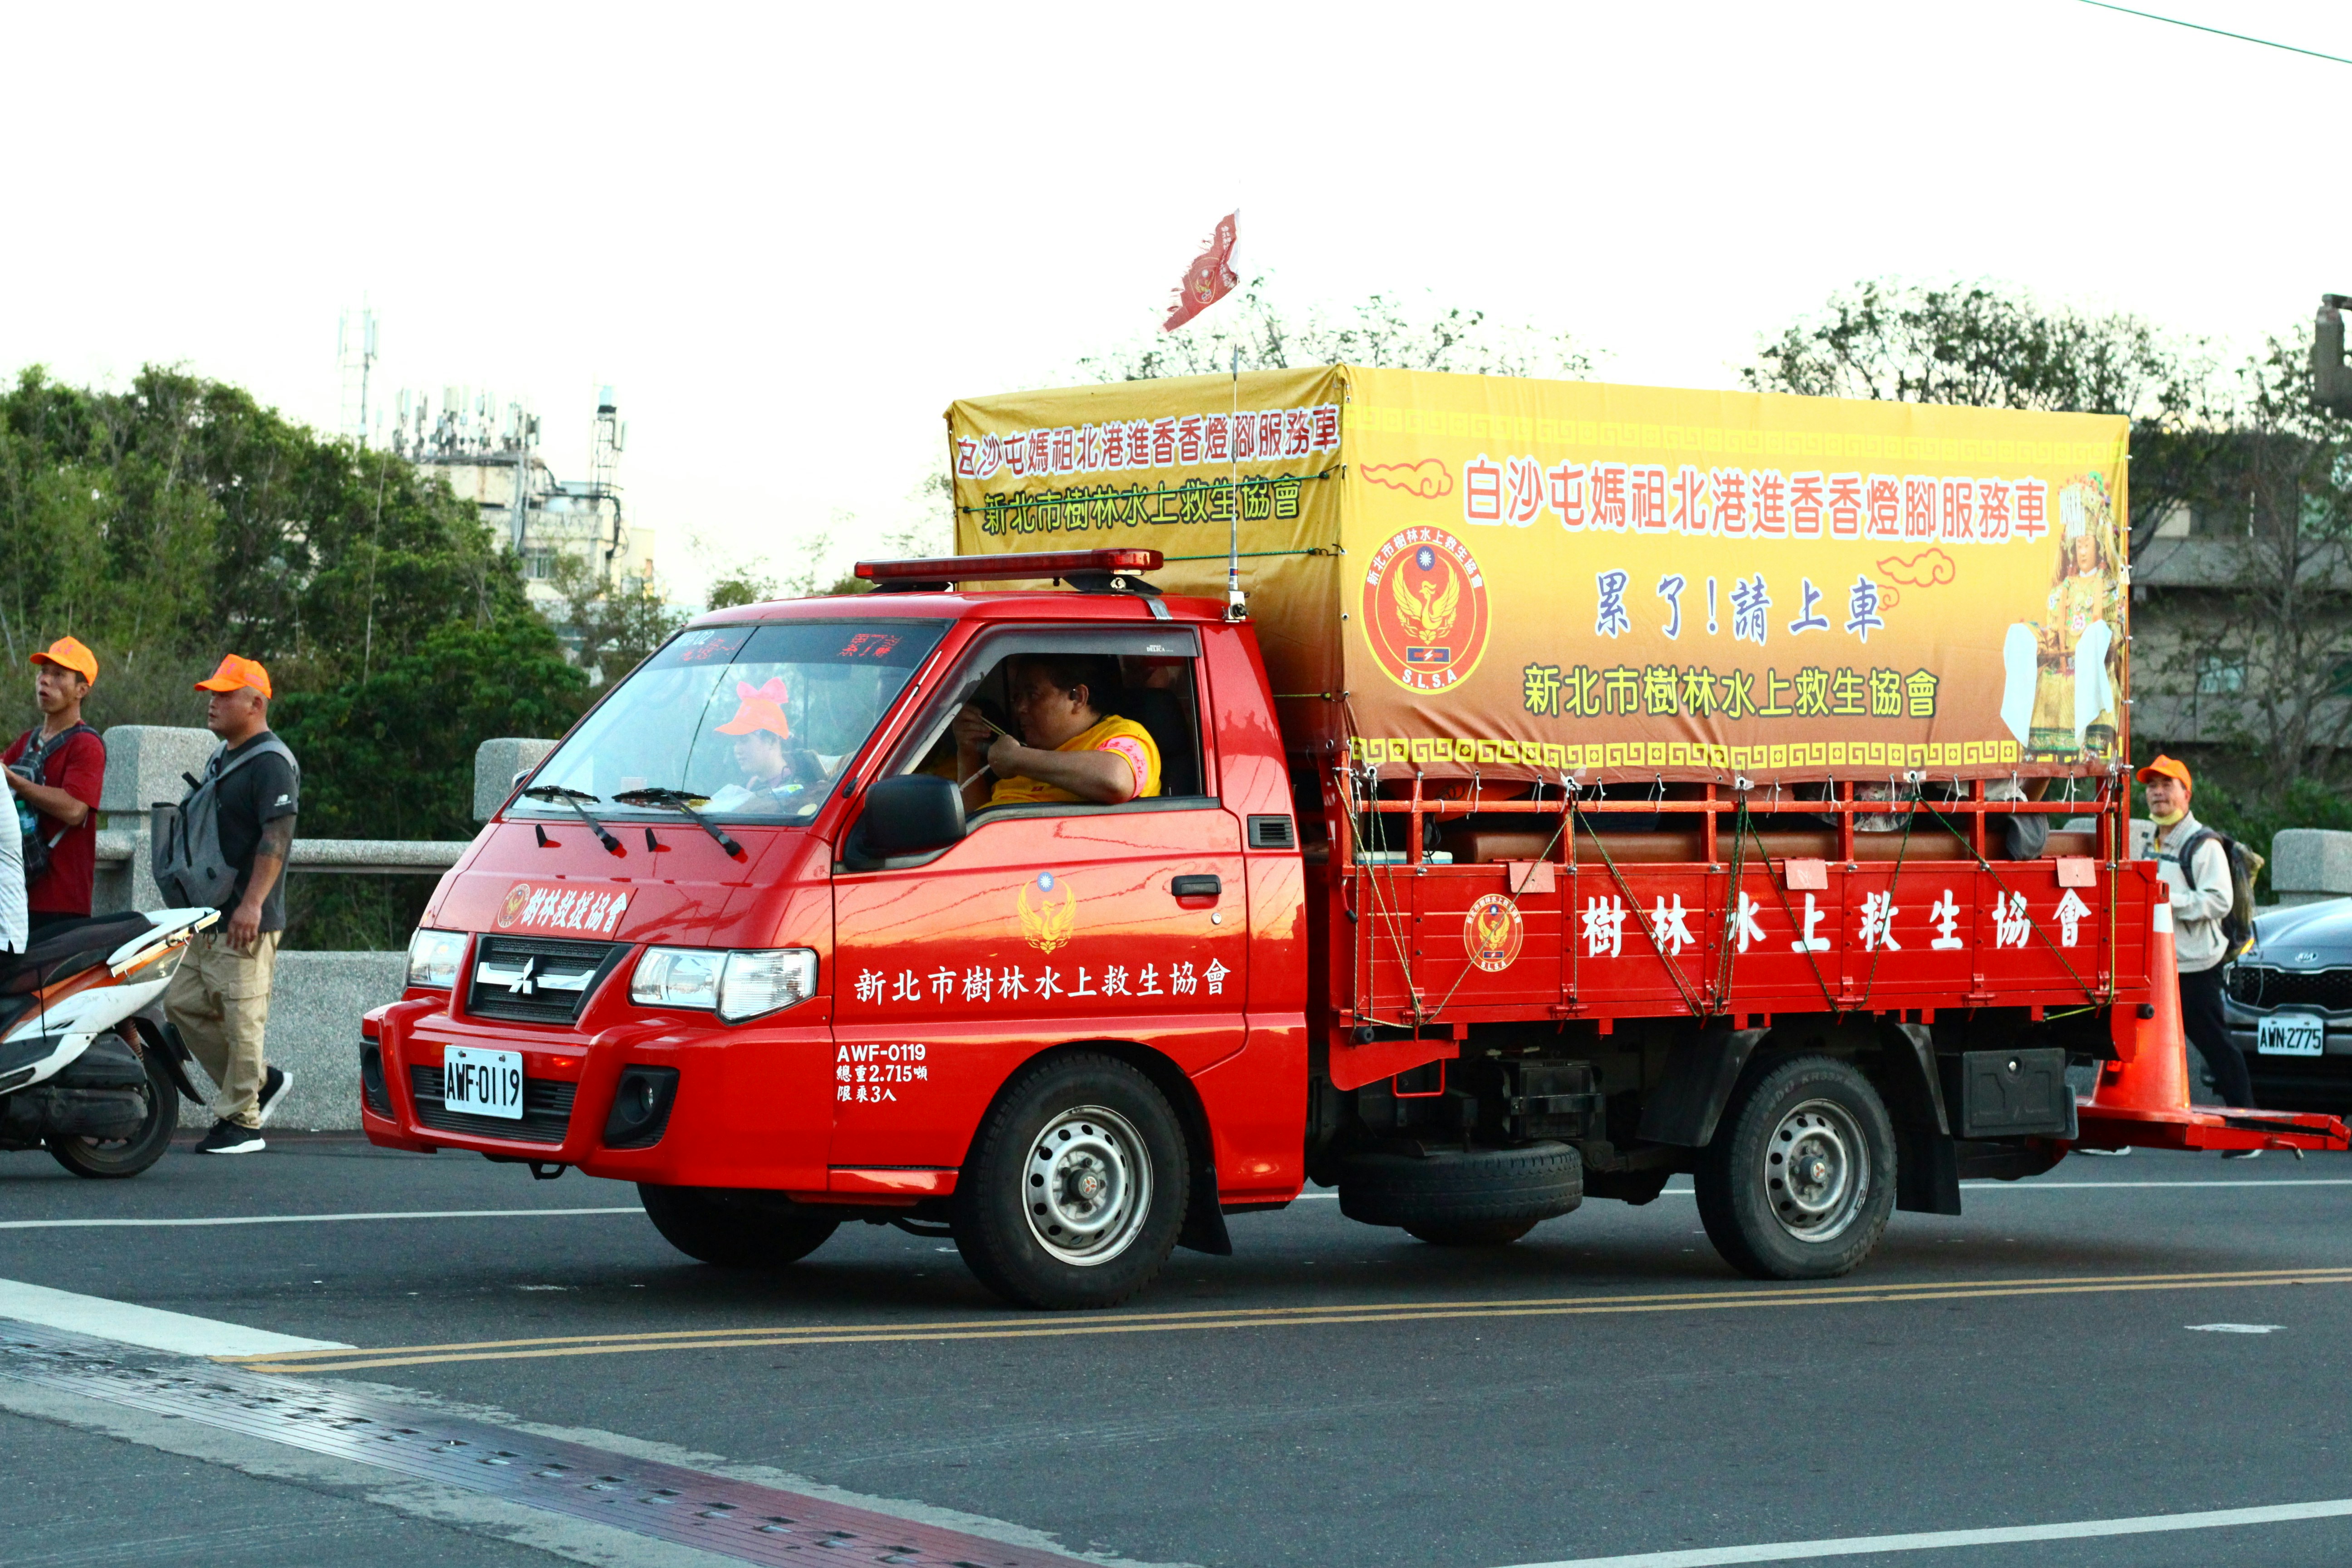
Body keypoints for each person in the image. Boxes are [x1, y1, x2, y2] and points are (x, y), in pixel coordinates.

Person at [167, 656, 298, 1156]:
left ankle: (243, 1123)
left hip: (247, 917)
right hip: (207, 914)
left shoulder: (271, 762)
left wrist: (252, 905)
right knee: (182, 1003)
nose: (213, 702)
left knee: (243, 1018)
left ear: (256, 703)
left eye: (224, 694)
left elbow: (278, 836)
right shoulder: (223, 755)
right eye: (212, 693)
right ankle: (258, 1085)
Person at [2129, 754, 2254, 1152]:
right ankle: (2122, 1131)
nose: (2158, 793)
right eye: (2152, 787)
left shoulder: (2204, 844)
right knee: (2129, 1043)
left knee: (2215, 1044)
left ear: (2187, 793)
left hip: (2196, 964)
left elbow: (2219, 901)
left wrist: (2167, 900)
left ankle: (2246, 1127)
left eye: (2167, 786)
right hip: (2159, 964)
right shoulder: (2152, 837)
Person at [954, 653, 1159, 811]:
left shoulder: (1124, 734)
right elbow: (975, 819)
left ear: (1078, 698)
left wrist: (1019, 759)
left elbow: (1117, 780)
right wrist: (967, 752)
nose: (1020, 708)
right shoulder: (1034, 754)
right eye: (1017, 698)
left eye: (1032, 695)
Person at [4, 637, 106, 935]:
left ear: (82, 690)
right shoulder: (27, 741)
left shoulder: (87, 744)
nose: (45, 680)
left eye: (59, 675)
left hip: (62, 904)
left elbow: (75, 810)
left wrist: (15, 781)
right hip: (15, 897)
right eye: (43, 672)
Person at [705, 677, 823, 813]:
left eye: (744, 740)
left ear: (772, 741)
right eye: (735, 742)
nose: (737, 750)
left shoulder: (803, 791)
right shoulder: (753, 785)